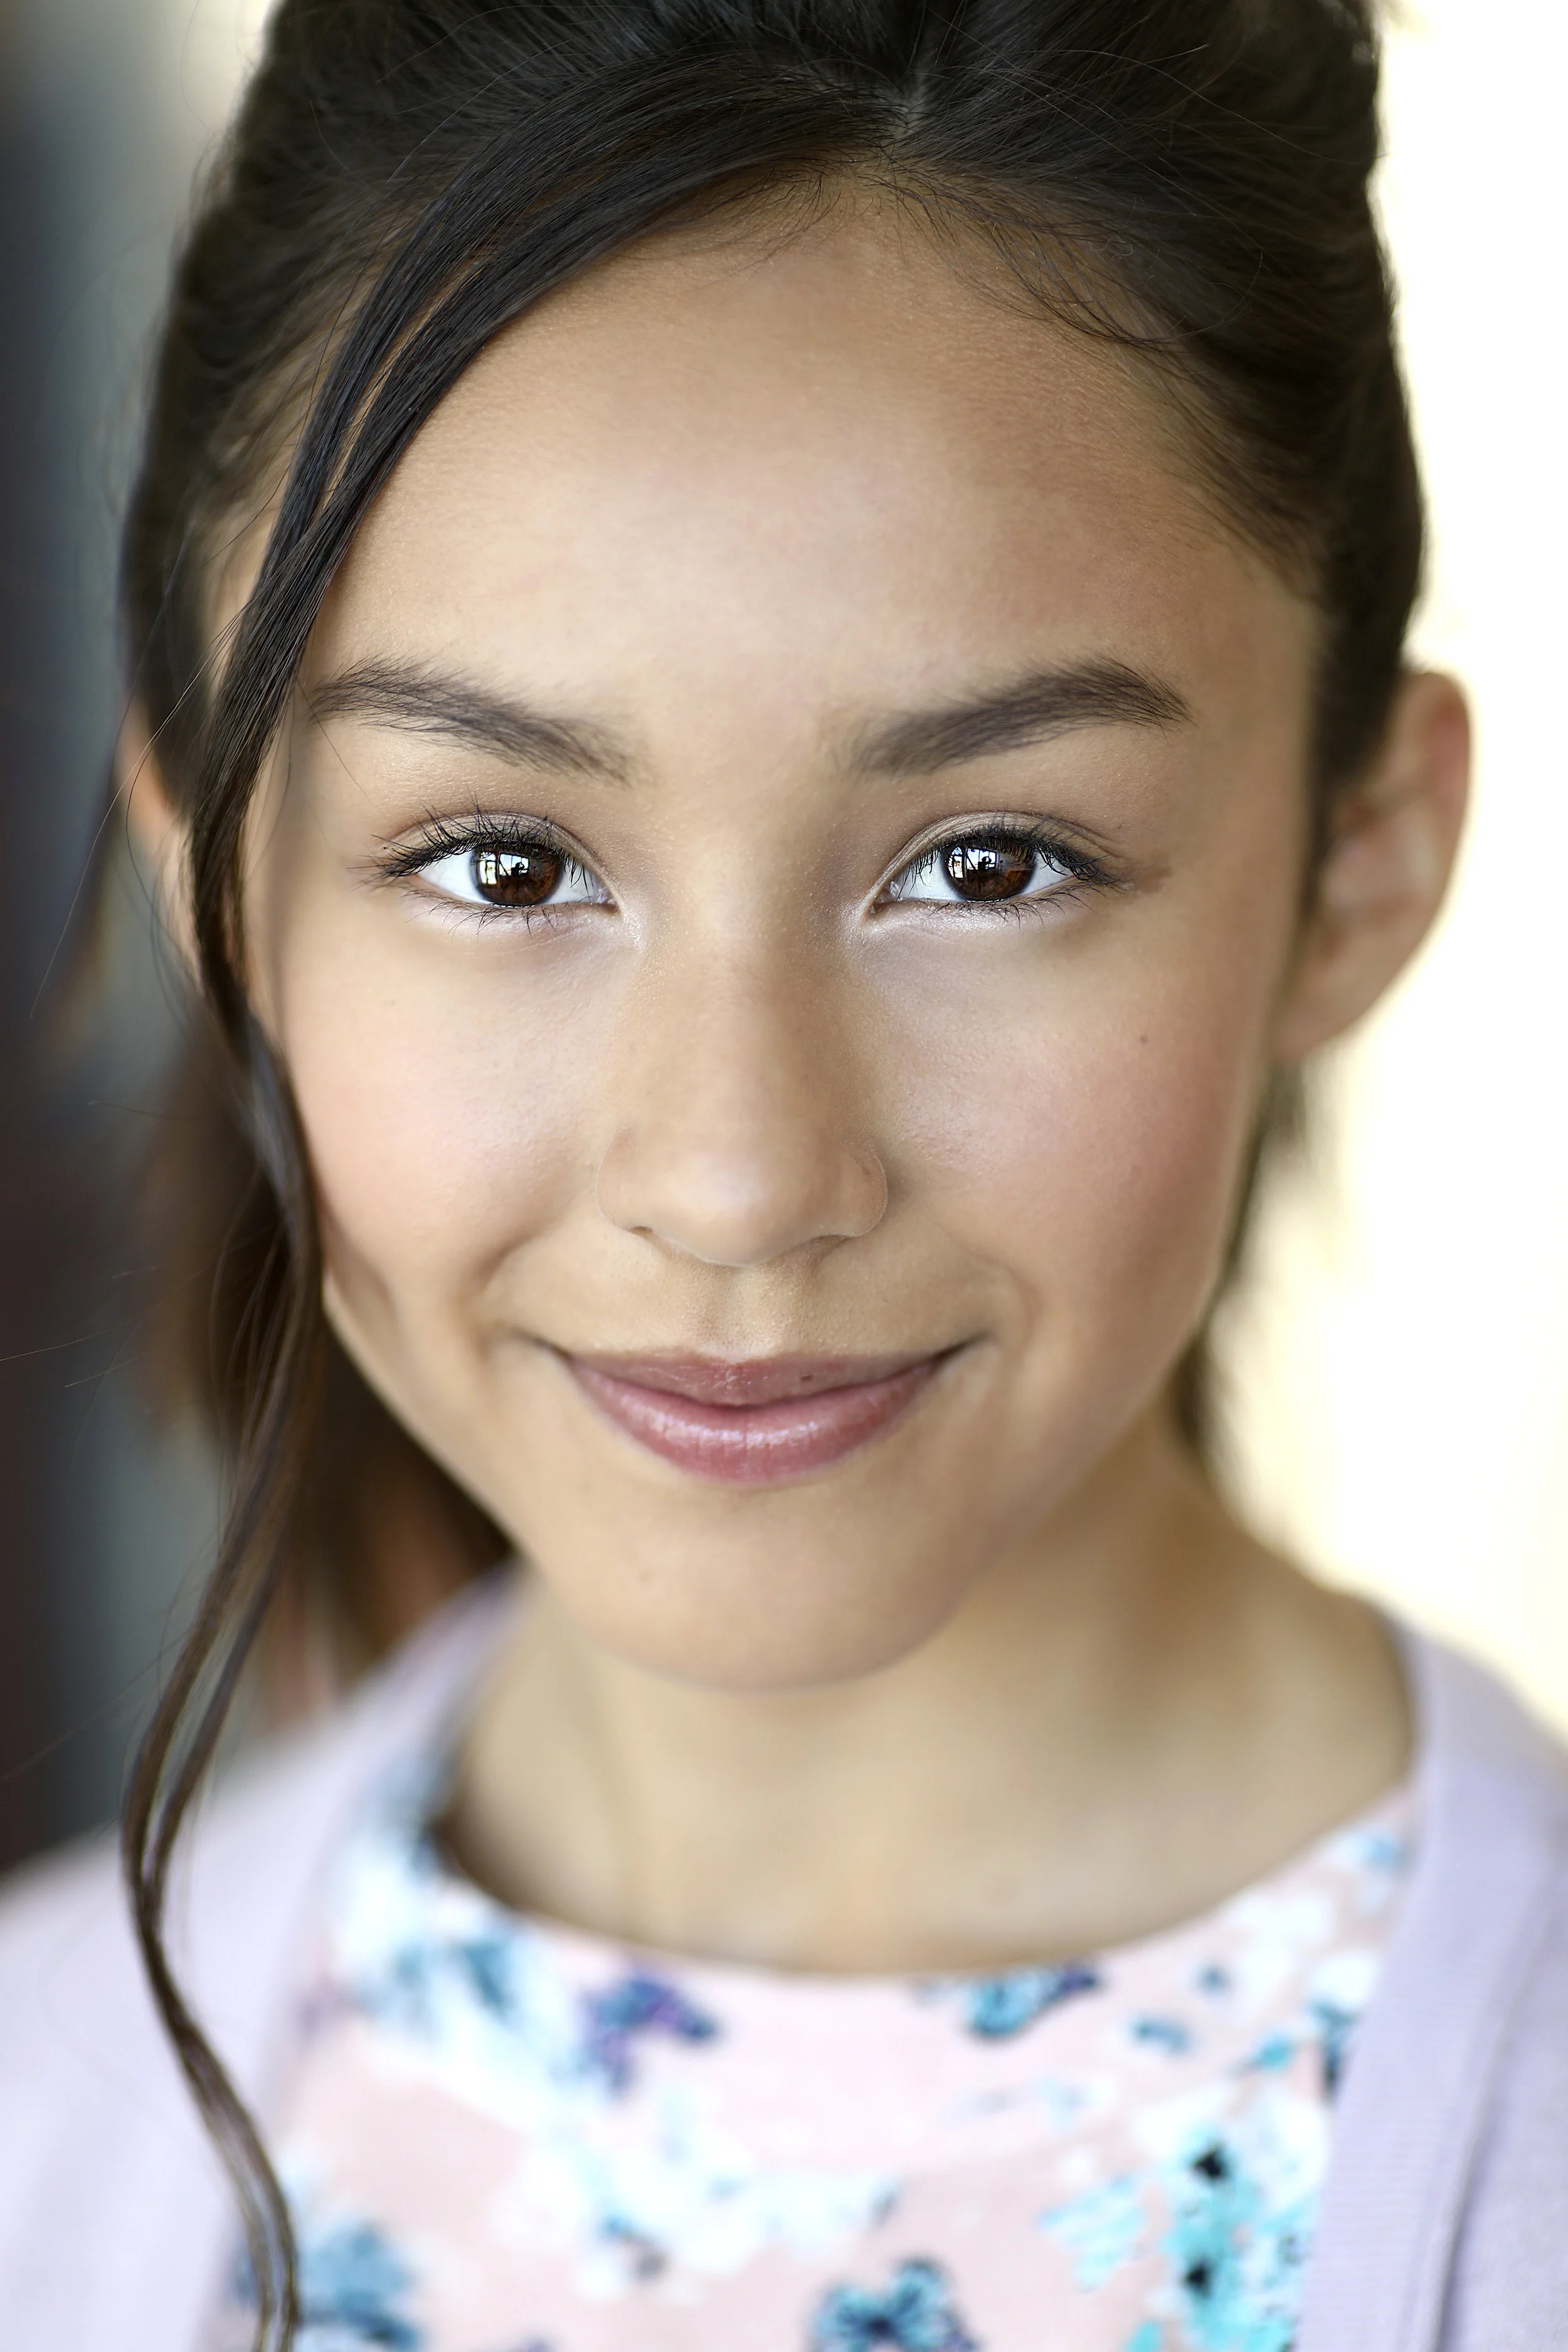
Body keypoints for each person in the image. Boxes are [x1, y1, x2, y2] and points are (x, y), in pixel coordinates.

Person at [2, 1, 1565, 2346]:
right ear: (216, 892)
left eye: (988, 860)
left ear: (1353, 870)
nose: (736, 1177)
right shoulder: (42, 2116)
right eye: (509, 864)